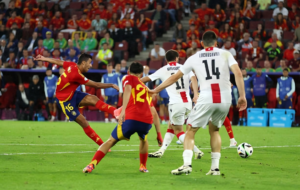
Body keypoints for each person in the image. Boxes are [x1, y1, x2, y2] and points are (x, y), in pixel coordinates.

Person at [150, 31, 246, 175]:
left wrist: (155, 90)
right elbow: (238, 73)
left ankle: (187, 165)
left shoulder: (194, 58)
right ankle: (215, 168)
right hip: (225, 98)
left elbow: (174, 78)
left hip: (206, 96)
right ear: (216, 43)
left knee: (190, 131)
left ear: (201, 44)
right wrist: (242, 96)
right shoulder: (226, 54)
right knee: (214, 130)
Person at [34, 54, 119, 147]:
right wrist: (111, 85)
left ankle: (115, 112)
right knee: (84, 122)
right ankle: (103, 145)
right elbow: (96, 85)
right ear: (83, 63)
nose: (91, 65)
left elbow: (59, 62)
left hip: (72, 94)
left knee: (93, 98)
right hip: (65, 101)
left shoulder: (72, 65)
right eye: (90, 63)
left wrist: (44, 58)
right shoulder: (76, 74)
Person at [83, 62, 153, 174]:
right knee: (144, 140)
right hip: (146, 120)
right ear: (141, 74)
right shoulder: (144, 86)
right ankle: (143, 166)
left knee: (111, 141)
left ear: (129, 71)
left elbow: (128, 90)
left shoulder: (127, 77)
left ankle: (92, 164)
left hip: (131, 118)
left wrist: (123, 110)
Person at [141, 50, 204, 158]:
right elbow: (194, 78)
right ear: (177, 58)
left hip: (176, 104)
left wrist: (133, 81)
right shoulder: (184, 67)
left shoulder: (163, 69)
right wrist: (195, 94)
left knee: (178, 131)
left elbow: (146, 78)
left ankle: (197, 151)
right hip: (187, 103)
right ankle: (161, 151)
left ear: (166, 60)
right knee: (171, 126)